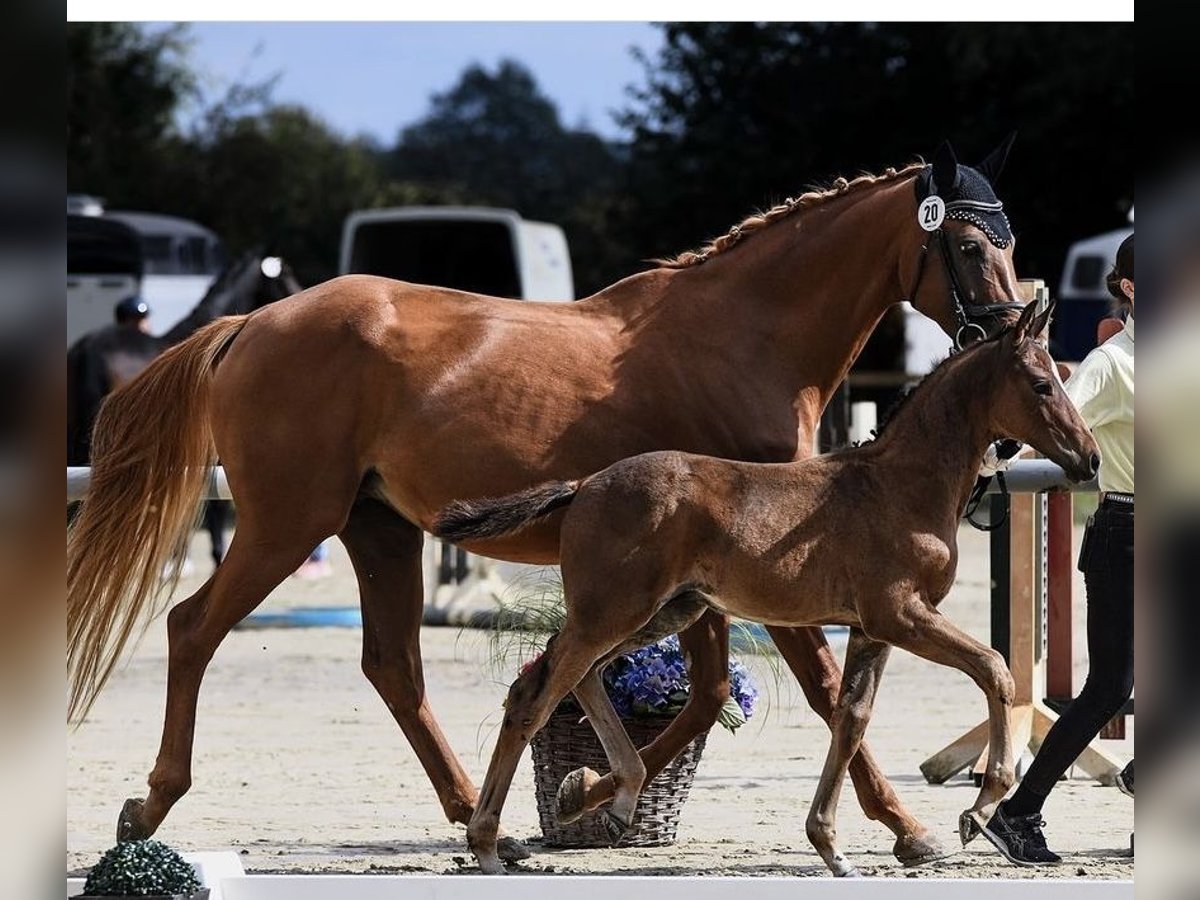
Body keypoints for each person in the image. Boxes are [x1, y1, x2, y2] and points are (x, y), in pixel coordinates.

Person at [982, 234, 1135, 866]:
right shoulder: (1112, 364)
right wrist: (996, 456)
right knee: (1107, 688)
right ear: (1128, 288)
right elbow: (1049, 419)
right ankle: (1019, 814)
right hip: (1128, 532)